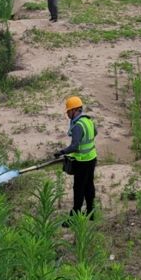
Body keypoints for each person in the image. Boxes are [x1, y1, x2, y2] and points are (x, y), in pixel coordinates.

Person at [54, 96, 97, 224]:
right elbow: (95, 133)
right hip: (92, 158)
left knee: (78, 189)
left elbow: (74, 146)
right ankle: (91, 212)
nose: (67, 114)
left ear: (75, 110)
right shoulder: (88, 121)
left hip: (82, 162)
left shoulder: (78, 126)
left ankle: (74, 218)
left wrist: (61, 152)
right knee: (89, 186)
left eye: (68, 111)